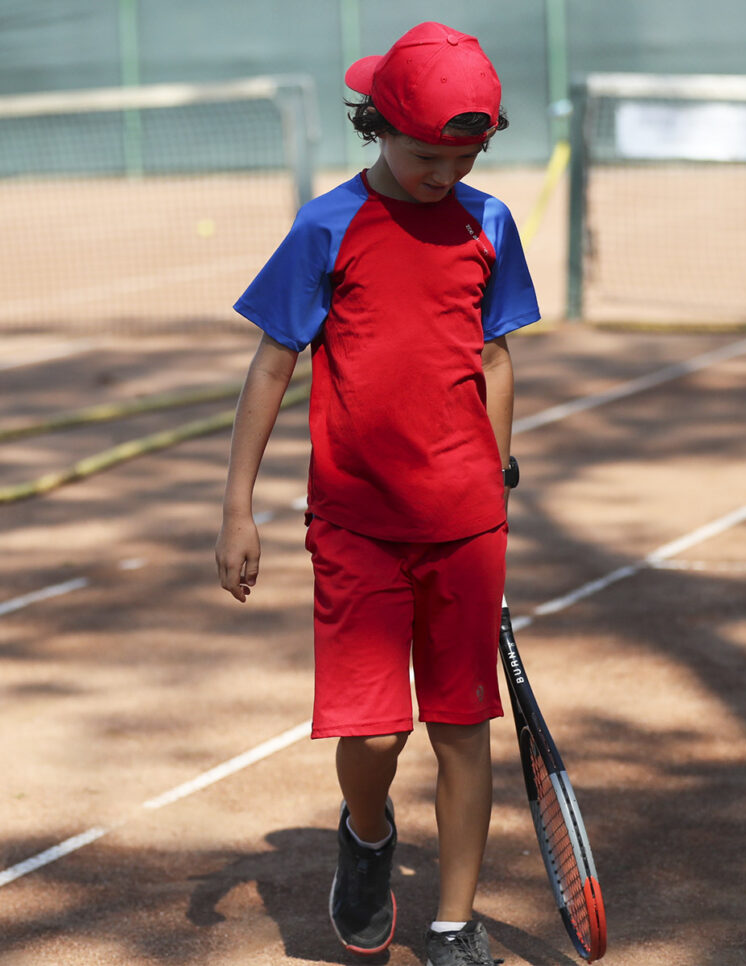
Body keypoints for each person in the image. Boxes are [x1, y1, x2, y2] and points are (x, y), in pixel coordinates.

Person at [215, 21, 539, 966]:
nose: (444, 173)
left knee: (460, 727)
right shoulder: (326, 224)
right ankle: (366, 833)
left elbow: (493, 352)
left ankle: (454, 923)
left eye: (464, 156)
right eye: (426, 154)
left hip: (466, 521)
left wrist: (496, 465)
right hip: (354, 524)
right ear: (377, 128)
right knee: (372, 736)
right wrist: (237, 506)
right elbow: (273, 364)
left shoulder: (489, 222)